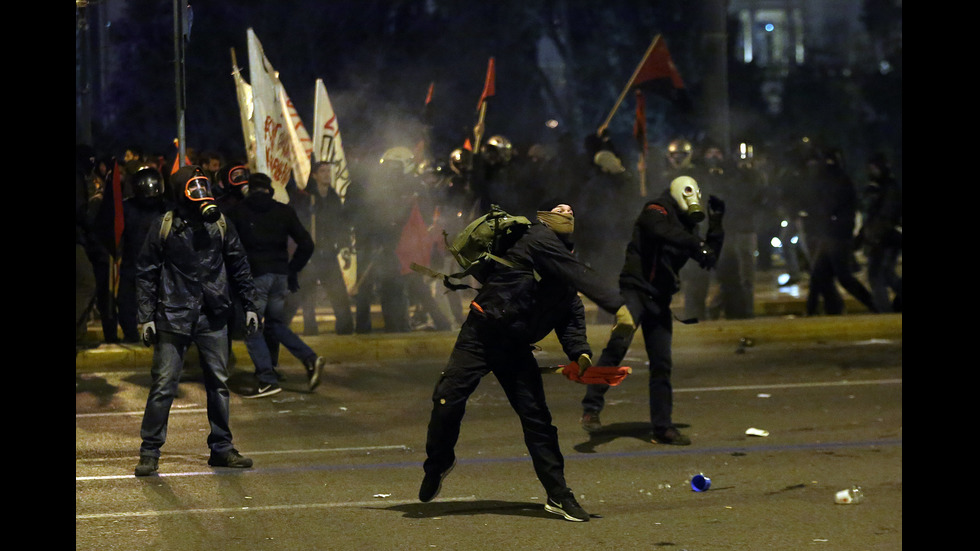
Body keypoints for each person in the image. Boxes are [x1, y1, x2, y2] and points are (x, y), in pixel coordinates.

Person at [418, 200, 634, 523]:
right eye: (560, 209)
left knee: (537, 420)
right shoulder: (537, 236)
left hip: (515, 345)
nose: (566, 210)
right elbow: (581, 275)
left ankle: (558, 495)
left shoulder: (561, 268)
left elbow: (571, 316)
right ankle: (438, 463)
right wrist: (618, 306)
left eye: (571, 211)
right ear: (546, 218)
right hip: (481, 332)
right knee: (447, 400)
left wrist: (581, 354)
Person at [133, 165, 260, 476]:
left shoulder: (219, 223)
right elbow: (146, 271)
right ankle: (150, 452)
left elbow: (239, 263)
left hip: (212, 313)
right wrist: (146, 317)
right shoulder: (164, 225)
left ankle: (222, 448)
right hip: (173, 315)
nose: (203, 200)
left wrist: (251, 305)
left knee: (219, 384)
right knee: (163, 386)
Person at [580, 175, 725, 446]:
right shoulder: (656, 209)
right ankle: (591, 409)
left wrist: (716, 224)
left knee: (661, 362)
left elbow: (708, 257)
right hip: (636, 289)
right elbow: (660, 230)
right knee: (618, 345)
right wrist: (696, 243)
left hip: (659, 298)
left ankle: (662, 427)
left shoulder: (688, 227)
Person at [227, 172, 327, 397]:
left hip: (255, 278)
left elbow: (228, 246)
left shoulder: (239, 212)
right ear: (269, 190)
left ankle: (266, 378)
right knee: (275, 324)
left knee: (252, 328)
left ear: (249, 189)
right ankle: (310, 358)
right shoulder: (284, 211)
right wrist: (292, 269)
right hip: (280, 277)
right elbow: (307, 244)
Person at [802, 147, 876, 315]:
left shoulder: (837, 181)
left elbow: (830, 206)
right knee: (818, 275)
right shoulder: (836, 179)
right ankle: (815, 311)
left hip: (837, 236)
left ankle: (873, 305)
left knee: (841, 277)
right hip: (831, 235)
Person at [284, 161, 355, 335]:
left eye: (328, 171)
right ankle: (304, 328)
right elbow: (294, 222)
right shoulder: (304, 196)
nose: (327, 175)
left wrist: (344, 246)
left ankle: (345, 329)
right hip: (310, 253)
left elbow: (341, 223)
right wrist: (308, 212)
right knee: (304, 293)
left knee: (338, 293)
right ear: (314, 175)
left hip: (328, 252)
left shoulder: (333, 197)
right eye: (323, 171)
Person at [706, 142, 765, 319]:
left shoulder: (755, 176)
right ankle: (720, 307)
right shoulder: (730, 176)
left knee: (745, 275)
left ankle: (745, 309)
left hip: (745, 229)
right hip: (733, 230)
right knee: (731, 274)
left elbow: (759, 197)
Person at [117, 166, 172, 343]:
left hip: (146, 262)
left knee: (135, 300)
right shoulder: (164, 207)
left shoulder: (164, 207)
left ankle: (135, 333)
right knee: (134, 301)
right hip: (144, 262)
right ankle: (136, 333)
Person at [857, 152, 902, 313]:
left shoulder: (888, 187)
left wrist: (874, 237)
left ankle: (884, 312)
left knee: (876, 275)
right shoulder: (877, 187)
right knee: (886, 274)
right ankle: (886, 310)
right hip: (881, 237)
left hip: (884, 238)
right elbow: (869, 213)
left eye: (874, 167)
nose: (871, 171)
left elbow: (884, 215)